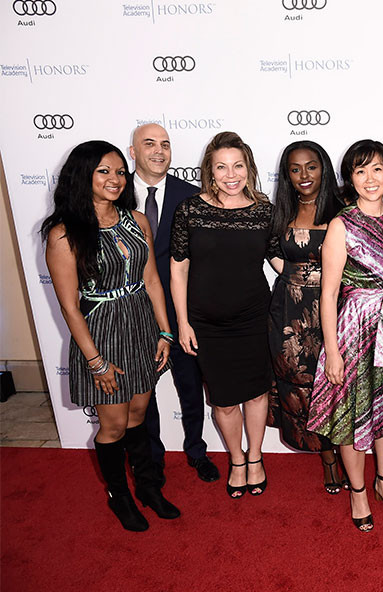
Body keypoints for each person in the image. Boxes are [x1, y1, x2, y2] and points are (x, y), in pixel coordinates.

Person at [41, 140, 179, 531]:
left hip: (141, 324)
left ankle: (148, 487)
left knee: (139, 414)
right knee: (114, 425)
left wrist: (165, 331)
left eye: (120, 171)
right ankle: (120, 497)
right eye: (104, 171)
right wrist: (95, 360)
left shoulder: (137, 219)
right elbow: (69, 306)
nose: (115, 179)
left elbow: (152, 279)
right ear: (82, 175)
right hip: (102, 331)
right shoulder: (64, 234)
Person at [307, 139, 383, 532]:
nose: (370, 178)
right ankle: (357, 492)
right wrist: (332, 352)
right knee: (350, 417)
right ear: (350, 179)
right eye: (360, 170)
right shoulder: (341, 224)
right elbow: (329, 294)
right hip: (354, 332)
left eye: (378, 169)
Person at [170, 131, 276, 499]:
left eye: (238, 166)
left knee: (258, 394)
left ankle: (256, 457)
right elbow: (178, 269)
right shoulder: (190, 210)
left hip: (254, 318)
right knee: (225, 400)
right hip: (206, 323)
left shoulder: (264, 209)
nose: (231, 175)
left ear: (249, 167)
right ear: (210, 171)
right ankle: (236, 459)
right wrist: (182, 322)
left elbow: (280, 261)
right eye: (222, 167)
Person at [129, 123, 220, 484]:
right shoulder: (114, 195)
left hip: (185, 311)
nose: (158, 151)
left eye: (165, 144)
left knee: (190, 386)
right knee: (143, 393)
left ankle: (197, 451)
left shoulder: (192, 196)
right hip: (135, 313)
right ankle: (152, 458)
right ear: (133, 152)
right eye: (149, 144)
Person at [267, 140, 348, 494]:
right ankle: (327, 458)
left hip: (336, 309)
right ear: (287, 173)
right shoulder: (280, 210)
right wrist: (295, 276)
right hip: (289, 312)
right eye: (295, 168)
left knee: (335, 386)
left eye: (311, 166)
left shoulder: (343, 208)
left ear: (323, 168)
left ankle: (341, 452)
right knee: (299, 387)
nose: (304, 175)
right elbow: (271, 247)